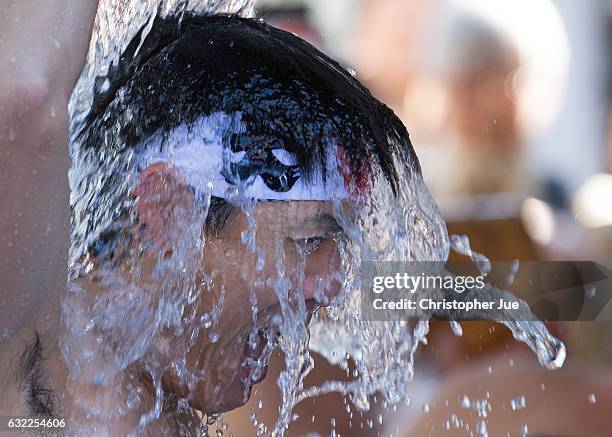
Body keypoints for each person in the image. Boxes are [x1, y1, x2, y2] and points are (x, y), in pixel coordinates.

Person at [1, 10, 421, 436]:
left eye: (341, 241)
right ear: (168, 209)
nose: (332, 285)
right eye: (309, 240)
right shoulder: (29, 360)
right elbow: (25, 98)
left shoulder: (170, 395)